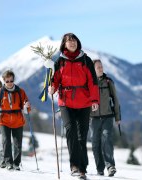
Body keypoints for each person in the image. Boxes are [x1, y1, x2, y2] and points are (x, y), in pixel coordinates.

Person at [48, 33, 99, 180]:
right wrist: (53, 87)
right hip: (66, 102)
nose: (72, 43)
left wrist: (94, 100)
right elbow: (55, 79)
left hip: (84, 102)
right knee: (70, 130)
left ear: (78, 43)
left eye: (74, 40)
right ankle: (74, 166)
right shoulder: (60, 62)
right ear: (64, 44)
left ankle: (83, 168)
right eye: (69, 41)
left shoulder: (85, 60)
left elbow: (92, 82)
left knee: (81, 136)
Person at [0, 70, 31, 171]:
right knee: (6, 141)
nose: (9, 83)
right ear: (4, 81)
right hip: (4, 120)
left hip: (18, 120)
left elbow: (26, 109)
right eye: (7, 81)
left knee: (17, 143)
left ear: (13, 80)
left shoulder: (21, 92)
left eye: (11, 80)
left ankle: (16, 163)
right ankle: (8, 163)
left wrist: (26, 106)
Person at [90, 59, 121, 177]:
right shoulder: (89, 83)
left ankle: (110, 166)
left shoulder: (108, 82)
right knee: (95, 143)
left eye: (101, 67)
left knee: (107, 139)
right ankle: (100, 168)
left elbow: (116, 100)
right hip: (93, 119)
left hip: (108, 117)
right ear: (93, 69)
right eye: (98, 67)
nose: (100, 69)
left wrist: (117, 117)